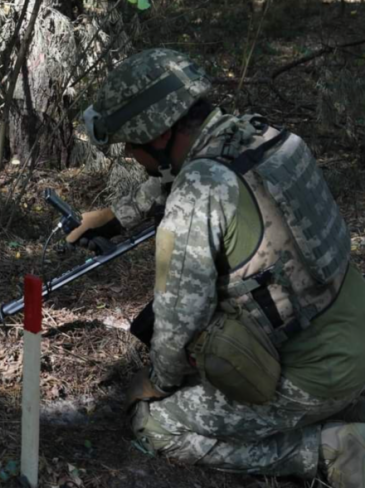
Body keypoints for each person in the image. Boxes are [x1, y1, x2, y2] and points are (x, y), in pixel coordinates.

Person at [67, 48, 365, 488]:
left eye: (131, 143)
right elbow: (197, 178)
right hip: (351, 336)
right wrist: (118, 214)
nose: (129, 153)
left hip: (312, 375)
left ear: (162, 133)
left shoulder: (197, 195)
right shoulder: (259, 136)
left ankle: (327, 449)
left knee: (156, 425)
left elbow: (178, 319)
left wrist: (159, 383)